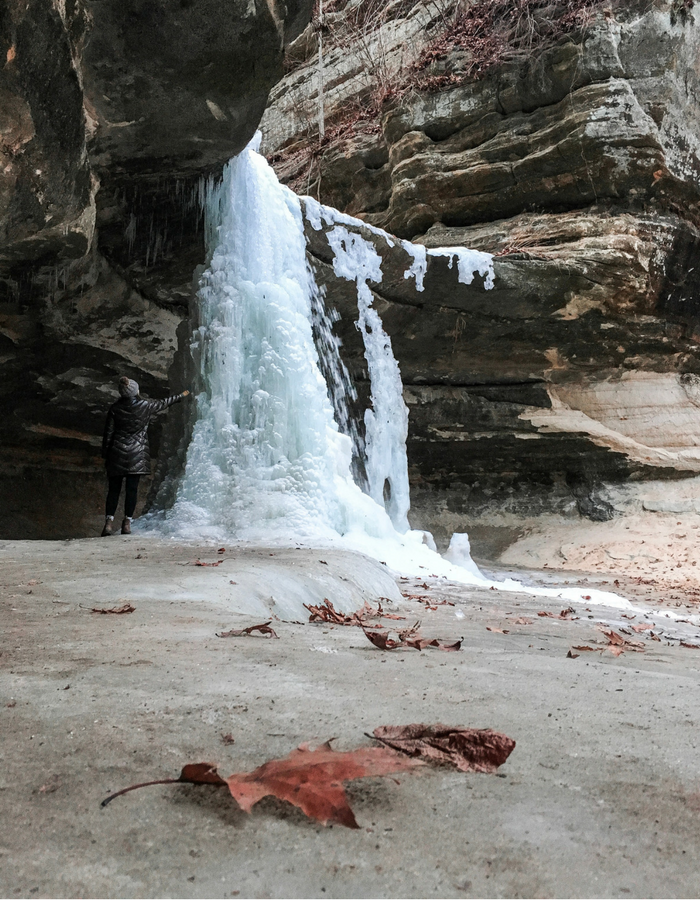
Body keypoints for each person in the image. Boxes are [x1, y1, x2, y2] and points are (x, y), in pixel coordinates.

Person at [101, 376, 190, 536]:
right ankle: (126, 524)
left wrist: (105, 456)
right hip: (137, 454)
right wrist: (182, 395)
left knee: (114, 490)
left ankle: (108, 523)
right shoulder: (145, 405)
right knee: (132, 490)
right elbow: (164, 402)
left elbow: (108, 434)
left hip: (117, 453)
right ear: (135, 391)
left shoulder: (114, 408)